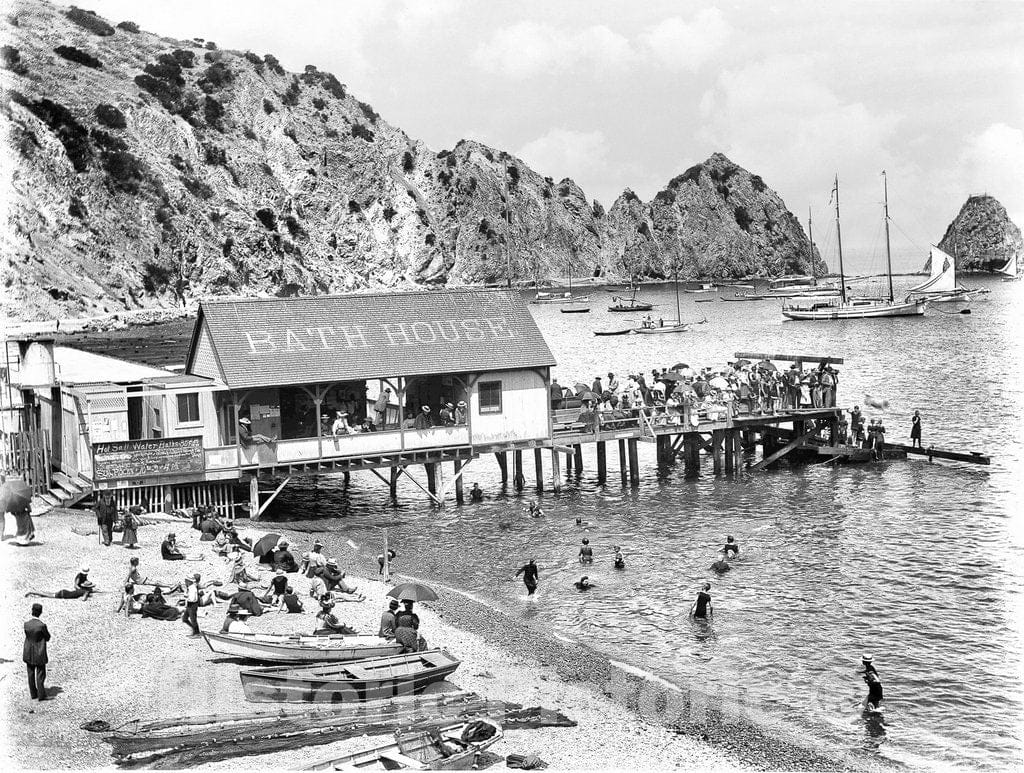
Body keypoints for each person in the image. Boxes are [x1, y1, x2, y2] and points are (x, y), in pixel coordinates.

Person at [24, 603, 50, 701]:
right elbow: (47, 637)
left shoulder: (26, 624)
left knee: (30, 674)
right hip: (39, 653)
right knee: (40, 674)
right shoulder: (42, 625)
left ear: (32, 611)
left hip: (28, 652)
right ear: (40, 612)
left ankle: (33, 694)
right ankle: (41, 695)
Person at [26, 566, 95, 600]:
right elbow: (83, 599)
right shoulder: (85, 591)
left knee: (48, 593)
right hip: (63, 595)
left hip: (65, 592)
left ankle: (34, 592)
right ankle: (32, 592)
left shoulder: (82, 590)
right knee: (47, 595)